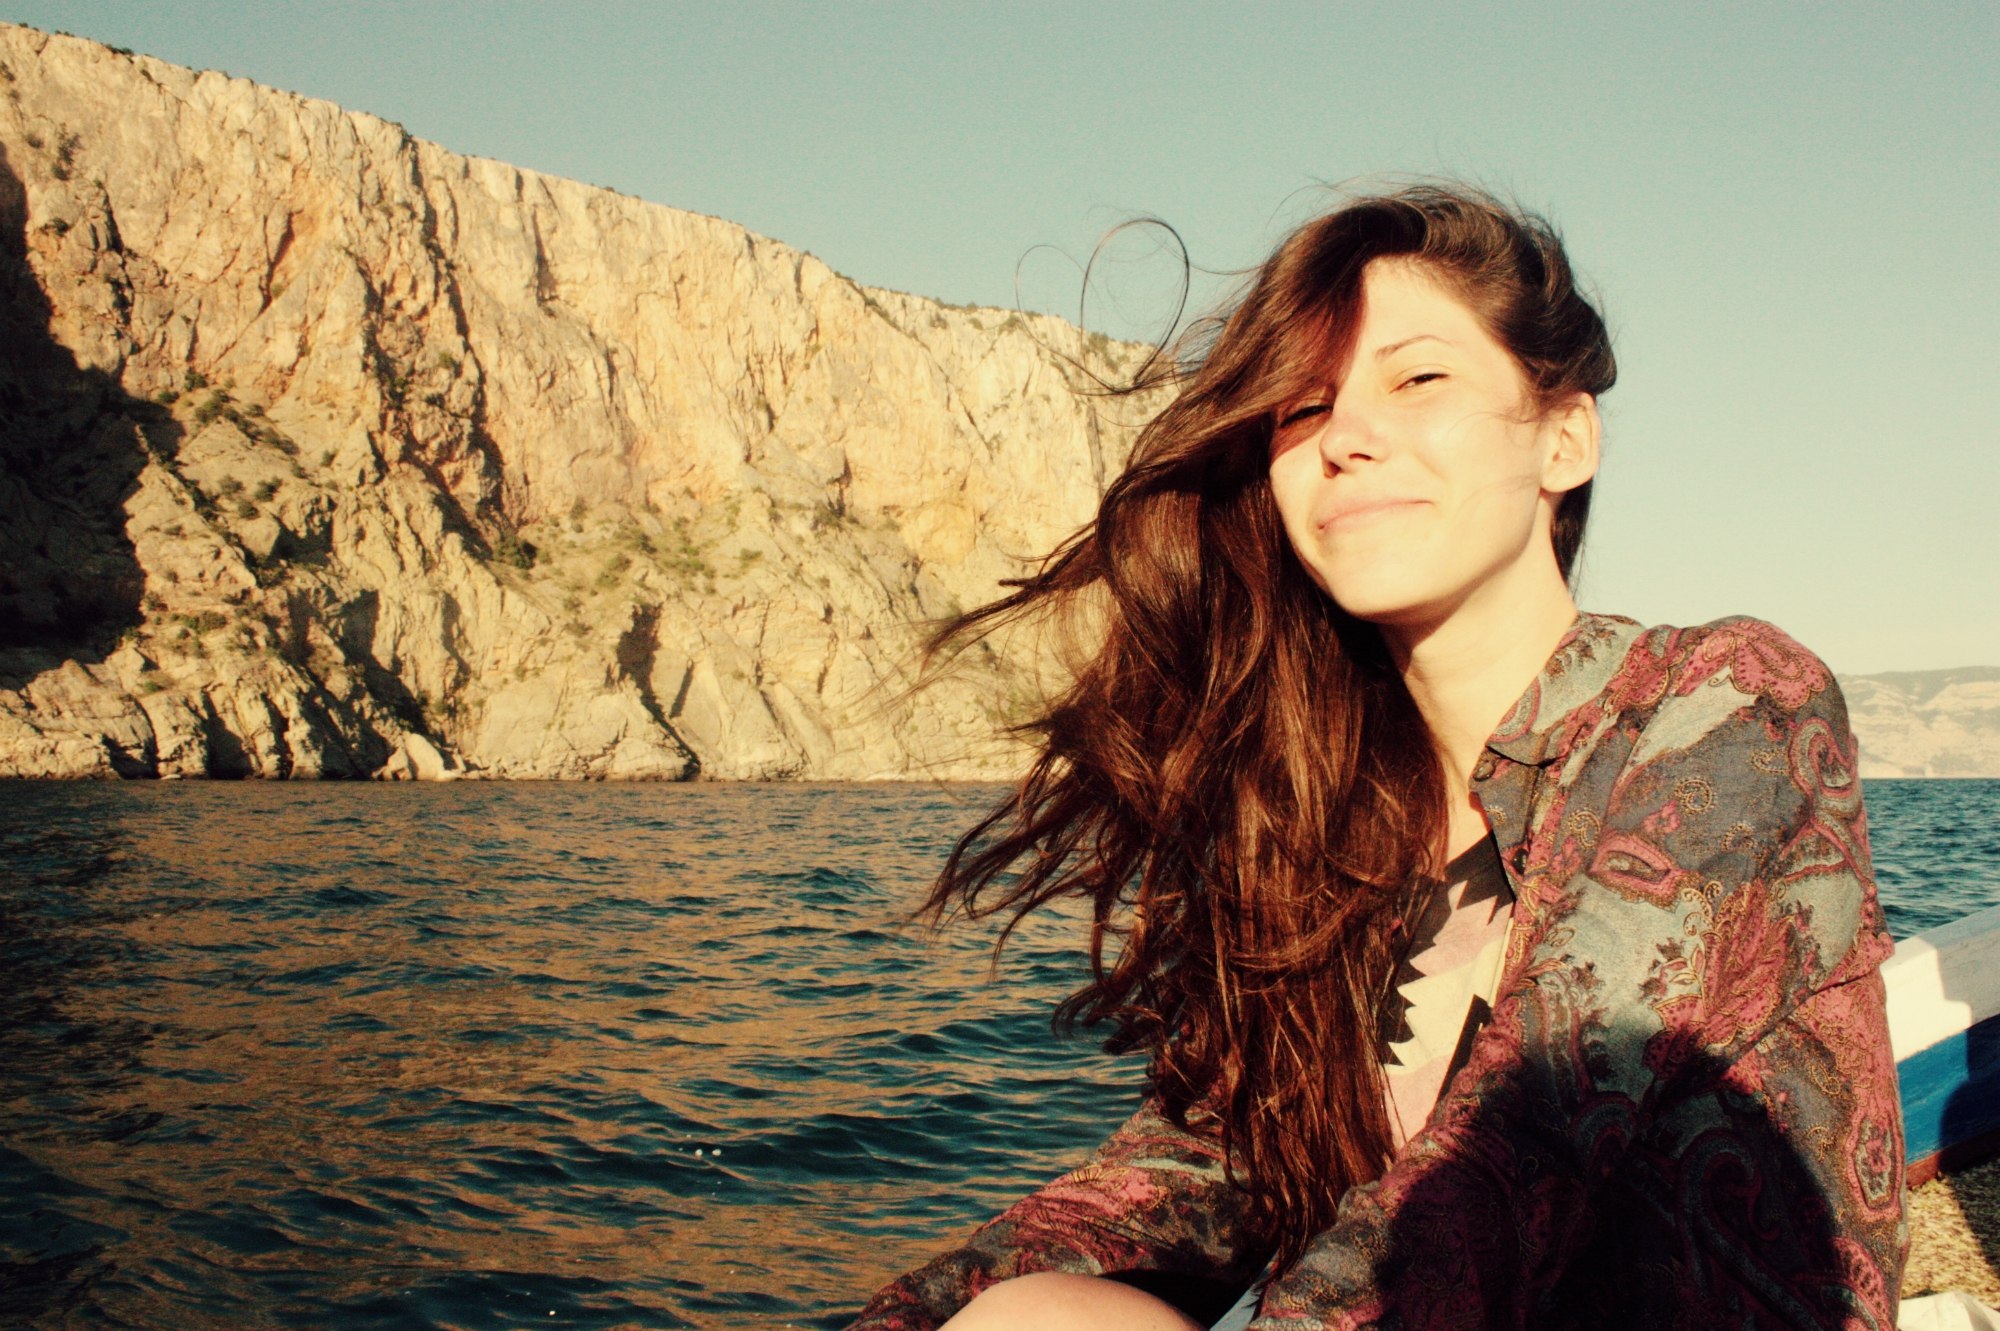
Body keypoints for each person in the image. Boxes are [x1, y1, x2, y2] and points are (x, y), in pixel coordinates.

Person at [846, 184, 1904, 1330]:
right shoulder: (1325, 827)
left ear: (1562, 437)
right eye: (1302, 407)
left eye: (1417, 379)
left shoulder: (1727, 705)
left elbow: (1528, 1140)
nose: (1342, 437)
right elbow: (1186, 1173)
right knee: (1034, 1313)